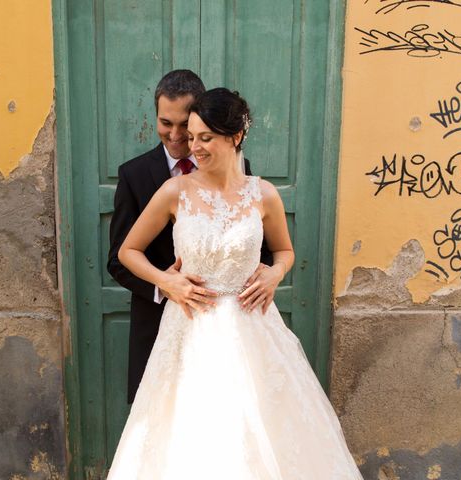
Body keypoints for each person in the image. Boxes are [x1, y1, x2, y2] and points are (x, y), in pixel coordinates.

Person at [107, 88, 363, 479]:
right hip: (190, 330)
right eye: (192, 137)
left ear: (236, 136)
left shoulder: (263, 194)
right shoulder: (176, 191)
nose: (194, 147)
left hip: (253, 328)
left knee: (257, 433)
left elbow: (284, 252)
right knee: (194, 438)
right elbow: (128, 251)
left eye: (204, 137)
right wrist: (167, 282)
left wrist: (275, 274)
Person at [107, 70, 271, 404]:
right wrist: (165, 285)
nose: (177, 135)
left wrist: (271, 272)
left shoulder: (240, 169)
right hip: (161, 326)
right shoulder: (134, 174)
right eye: (166, 123)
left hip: (233, 329)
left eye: (185, 125)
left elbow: (257, 244)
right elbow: (119, 259)